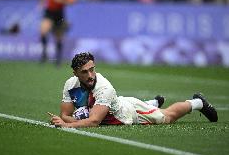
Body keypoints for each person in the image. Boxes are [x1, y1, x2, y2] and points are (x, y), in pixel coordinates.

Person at [50, 52, 218, 128]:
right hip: (117, 104)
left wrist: (67, 125)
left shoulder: (104, 88)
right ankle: (151, 103)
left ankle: (197, 102)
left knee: (167, 117)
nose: (90, 75)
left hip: (129, 113)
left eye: (92, 69)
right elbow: (65, 114)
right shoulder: (70, 84)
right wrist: (66, 120)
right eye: (84, 72)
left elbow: (94, 122)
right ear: (75, 74)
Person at [39, 0, 76, 66]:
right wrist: (41, 3)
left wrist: (62, 0)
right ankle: (44, 53)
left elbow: (73, 0)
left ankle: (58, 59)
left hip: (59, 13)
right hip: (49, 11)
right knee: (43, 31)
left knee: (58, 37)